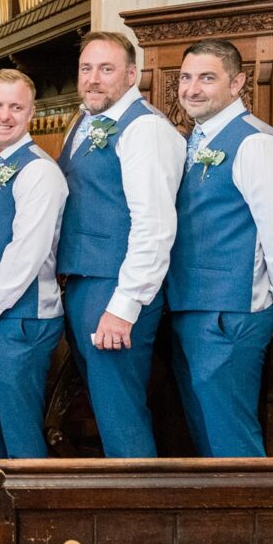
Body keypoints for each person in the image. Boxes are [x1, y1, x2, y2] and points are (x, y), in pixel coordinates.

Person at [168, 39, 273, 457]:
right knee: (206, 432)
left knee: (232, 437)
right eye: (186, 78)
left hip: (231, 310)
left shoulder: (255, 143)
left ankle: (255, 520)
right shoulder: (192, 140)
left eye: (207, 78)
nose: (192, 88)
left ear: (238, 83)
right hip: (191, 304)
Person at [56, 32, 183, 458]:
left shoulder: (144, 128)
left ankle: (139, 520)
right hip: (83, 282)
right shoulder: (85, 120)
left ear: (133, 75)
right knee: (108, 405)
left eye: (106, 69)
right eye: (86, 69)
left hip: (114, 287)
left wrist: (124, 305)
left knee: (120, 411)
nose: (93, 79)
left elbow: (155, 225)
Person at [0, 69, 68, 459]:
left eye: (16, 107)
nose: (4, 115)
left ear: (31, 112)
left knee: (18, 432)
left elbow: (28, 252)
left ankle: (33, 519)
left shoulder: (39, 170)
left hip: (20, 319)